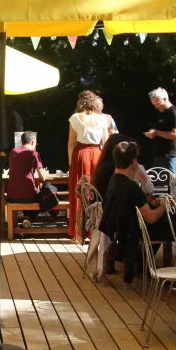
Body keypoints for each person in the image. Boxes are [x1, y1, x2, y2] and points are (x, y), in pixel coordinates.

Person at [100, 141, 171, 283]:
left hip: (121, 231)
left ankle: (143, 260)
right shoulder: (132, 187)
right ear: (133, 162)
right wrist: (164, 206)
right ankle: (163, 269)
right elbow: (150, 218)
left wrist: (150, 204)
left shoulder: (112, 182)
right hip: (136, 232)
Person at [67, 90, 111, 240]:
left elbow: (71, 142)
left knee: (80, 191)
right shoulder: (102, 119)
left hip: (81, 154)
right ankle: (96, 231)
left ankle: (78, 231)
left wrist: (70, 161)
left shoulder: (75, 118)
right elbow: (105, 142)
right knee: (96, 191)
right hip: (98, 155)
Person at [144, 87, 176, 176]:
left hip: (171, 155)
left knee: (172, 184)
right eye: (154, 104)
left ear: (165, 99)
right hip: (159, 154)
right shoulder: (160, 113)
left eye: (158, 103)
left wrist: (157, 132)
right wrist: (153, 134)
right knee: (157, 185)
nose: (156, 106)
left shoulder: (175, 113)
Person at [7, 131, 47, 203]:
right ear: (32, 142)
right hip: (29, 196)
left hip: (12, 196)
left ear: (22, 142)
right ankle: (31, 214)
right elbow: (43, 177)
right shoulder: (33, 153)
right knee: (47, 195)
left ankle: (27, 214)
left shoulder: (13, 152)